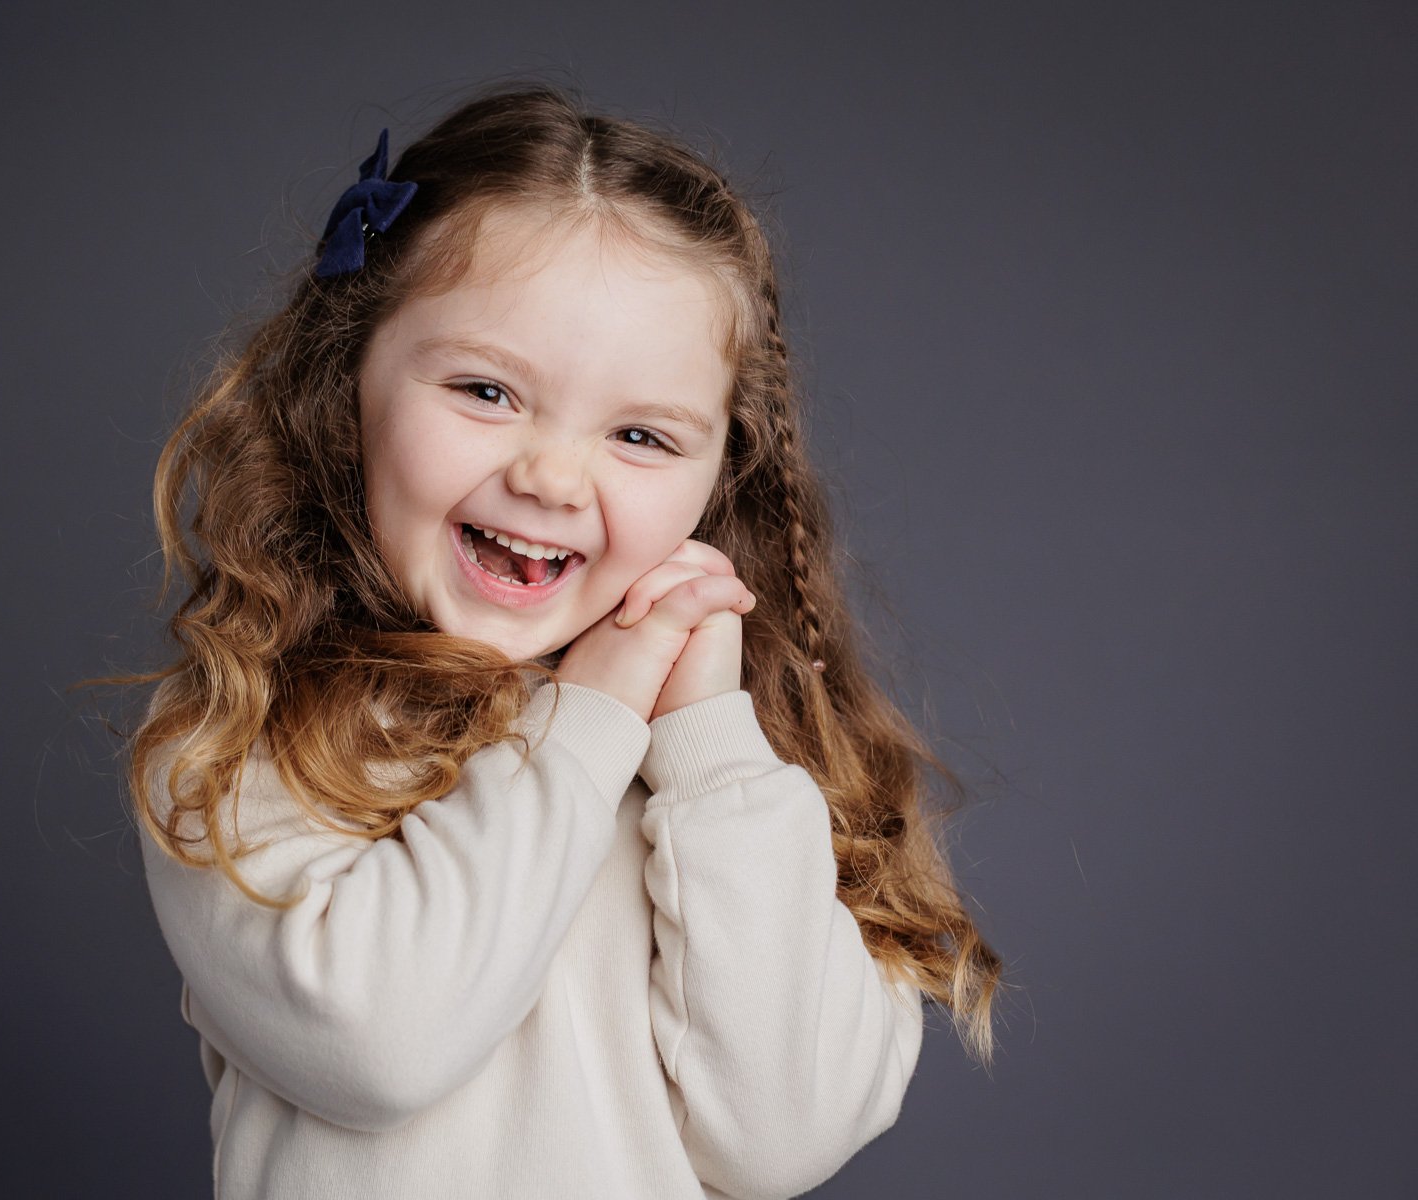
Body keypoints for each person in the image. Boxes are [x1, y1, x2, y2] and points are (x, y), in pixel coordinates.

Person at [111, 82, 1002, 1199]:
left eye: (640, 433)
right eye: (486, 390)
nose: (550, 475)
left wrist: (708, 741)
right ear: (346, 385)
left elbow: (782, 1137)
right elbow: (377, 1048)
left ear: (720, 472)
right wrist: (590, 721)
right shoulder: (244, 726)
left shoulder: (737, 767)